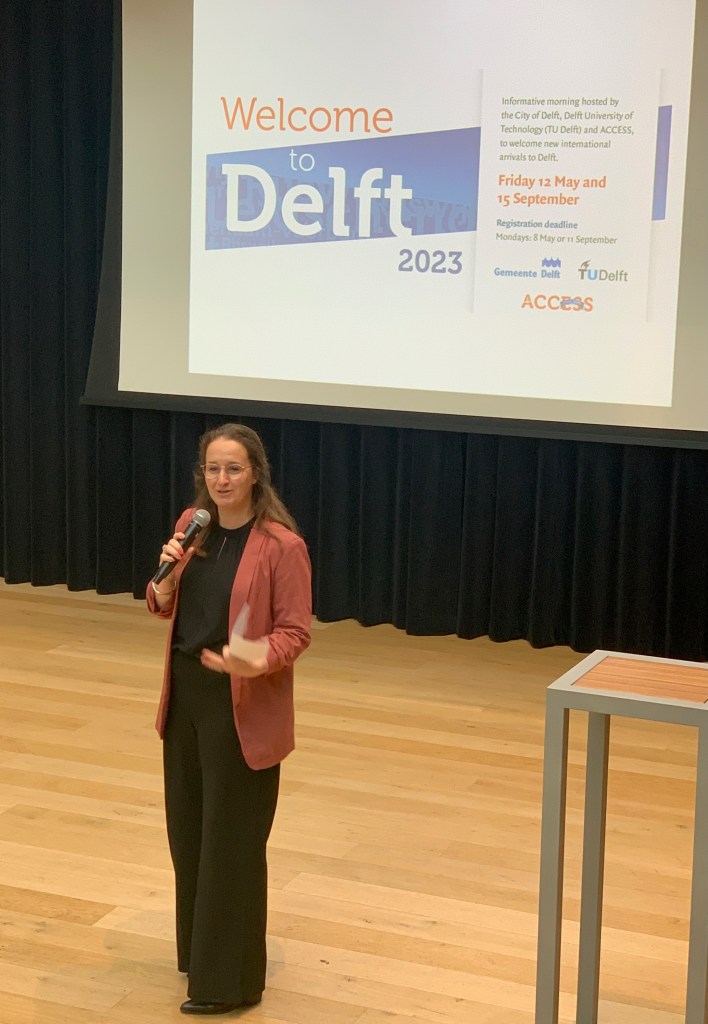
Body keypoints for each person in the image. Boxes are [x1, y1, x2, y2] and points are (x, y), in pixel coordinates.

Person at [146, 423, 312, 1016]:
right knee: (189, 834)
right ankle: (200, 955)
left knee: (231, 844)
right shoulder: (193, 529)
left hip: (241, 707)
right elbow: (163, 603)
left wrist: (254, 658)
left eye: (233, 469)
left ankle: (228, 984)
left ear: (255, 474)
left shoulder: (281, 546)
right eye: (213, 469)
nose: (221, 479)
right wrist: (165, 580)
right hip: (186, 698)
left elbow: (295, 632)